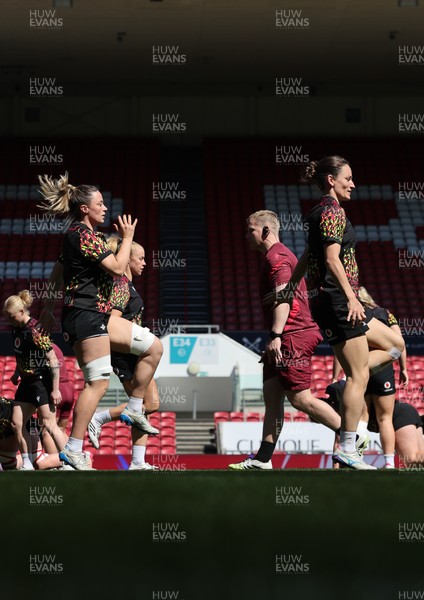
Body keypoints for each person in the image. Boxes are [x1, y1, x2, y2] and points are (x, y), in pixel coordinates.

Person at [267, 156, 404, 469]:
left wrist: (292, 285)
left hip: (324, 301)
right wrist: (351, 298)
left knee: (387, 350)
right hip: (338, 300)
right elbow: (330, 259)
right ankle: (347, 446)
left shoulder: (317, 212)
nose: (353, 184)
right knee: (359, 374)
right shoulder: (333, 211)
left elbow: (308, 254)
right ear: (331, 180)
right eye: (348, 178)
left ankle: (346, 438)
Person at [37, 172, 163, 470]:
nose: (105, 208)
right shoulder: (80, 234)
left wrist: (48, 307)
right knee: (97, 384)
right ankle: (72, 449)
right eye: (100, 203)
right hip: (85, 314)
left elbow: (58, 269)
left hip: (85, 314)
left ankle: (131, 410)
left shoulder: (81, 236)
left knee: (153, 349)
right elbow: (119, 267)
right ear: (85, 208)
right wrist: (128, 237)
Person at [228, 210, 367, 471]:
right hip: (287, 333)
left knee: (300, 399)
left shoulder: (276, 257)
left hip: (293, 334)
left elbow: (284, 297)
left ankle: (354, 438)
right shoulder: (278, 255)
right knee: (272, 395)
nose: (246, 235)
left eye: (250, 230)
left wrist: (276, 336)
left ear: (266, 231)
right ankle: (262, 459)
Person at [87, 236, 160, 470]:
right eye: (141, 258)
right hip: (125, 353)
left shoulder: (127, 284)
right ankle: (99, 417)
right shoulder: (120, 285)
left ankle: (138, 461)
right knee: (145, 404)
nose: (145, 263)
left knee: (151, 404)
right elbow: (112, 324)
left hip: (134, 352)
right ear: (127, 259)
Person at [332, 286, 409, 468]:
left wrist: (337, 375)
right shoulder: (384, 313)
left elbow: (341, 348)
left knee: (362, 417)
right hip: (382, 368)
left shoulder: (351, 311)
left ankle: (354, 455)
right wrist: (403, 368)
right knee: (385, 419)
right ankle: (389, 463)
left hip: (359, 368)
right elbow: (399, 341)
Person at [3, 290, 68, 470]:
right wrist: (17, 372)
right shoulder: (16, 328)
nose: (8, 320)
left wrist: (55, 389)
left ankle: (72, 460)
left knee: (49, 424)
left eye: (11, 316)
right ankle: (28, 464)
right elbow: (22, 354)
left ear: (22, 312)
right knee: (16, 423)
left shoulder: (36, 329)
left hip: (41, 381)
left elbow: (53, 360)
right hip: (26, 382)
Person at [324, 380, 424, 468]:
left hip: (399, 414)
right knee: (417, 462)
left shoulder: (344, 407)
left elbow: (339, 442)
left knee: (411, 460)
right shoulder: (346, 402)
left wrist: (336, 469)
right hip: (405, 411)